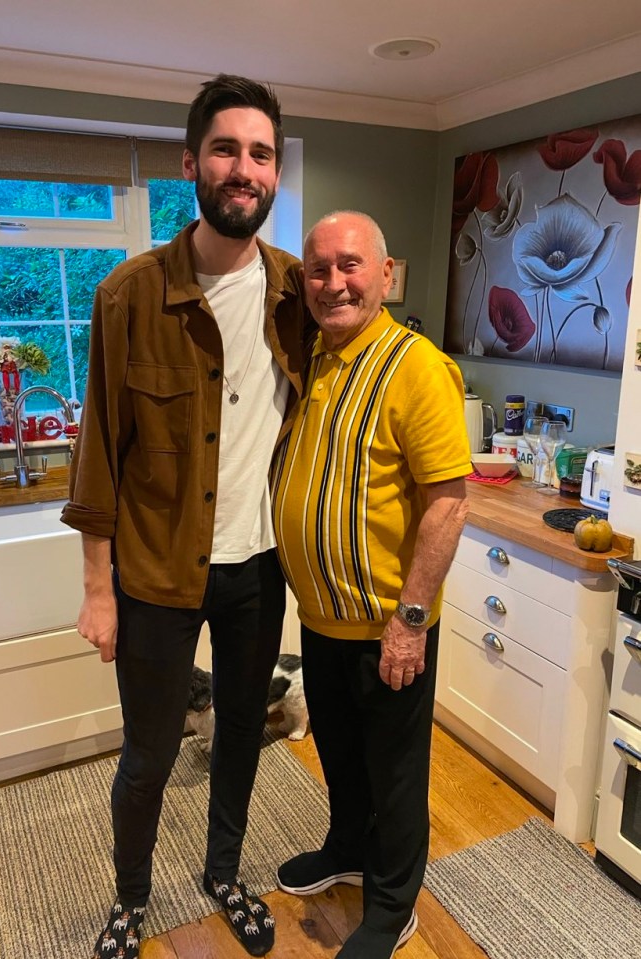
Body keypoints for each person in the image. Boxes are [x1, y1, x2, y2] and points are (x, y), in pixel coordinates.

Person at [61, 74, 311, 959]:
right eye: (226, 149)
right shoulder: (128, 294)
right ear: (191, 163)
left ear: (274, 171)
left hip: (259, 567)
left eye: (261, 153)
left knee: (243, 731)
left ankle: (225, 872)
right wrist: (99, 590)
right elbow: (98, 458)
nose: (244, 168)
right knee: (151, 752)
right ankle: (131, 898)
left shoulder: (298, 295)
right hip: (156, 571)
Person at [271, 211, 471, 959]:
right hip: (322, 618)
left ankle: (393, 903)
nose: (333, 283)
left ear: (384, 275)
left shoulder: (416, 366)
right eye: (318, 270)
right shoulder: (318, 358)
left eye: (350, 266)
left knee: (394, 774)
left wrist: (411, 620)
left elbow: (448, 500)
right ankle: (345, 848)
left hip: (390, 624)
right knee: (342, 755)